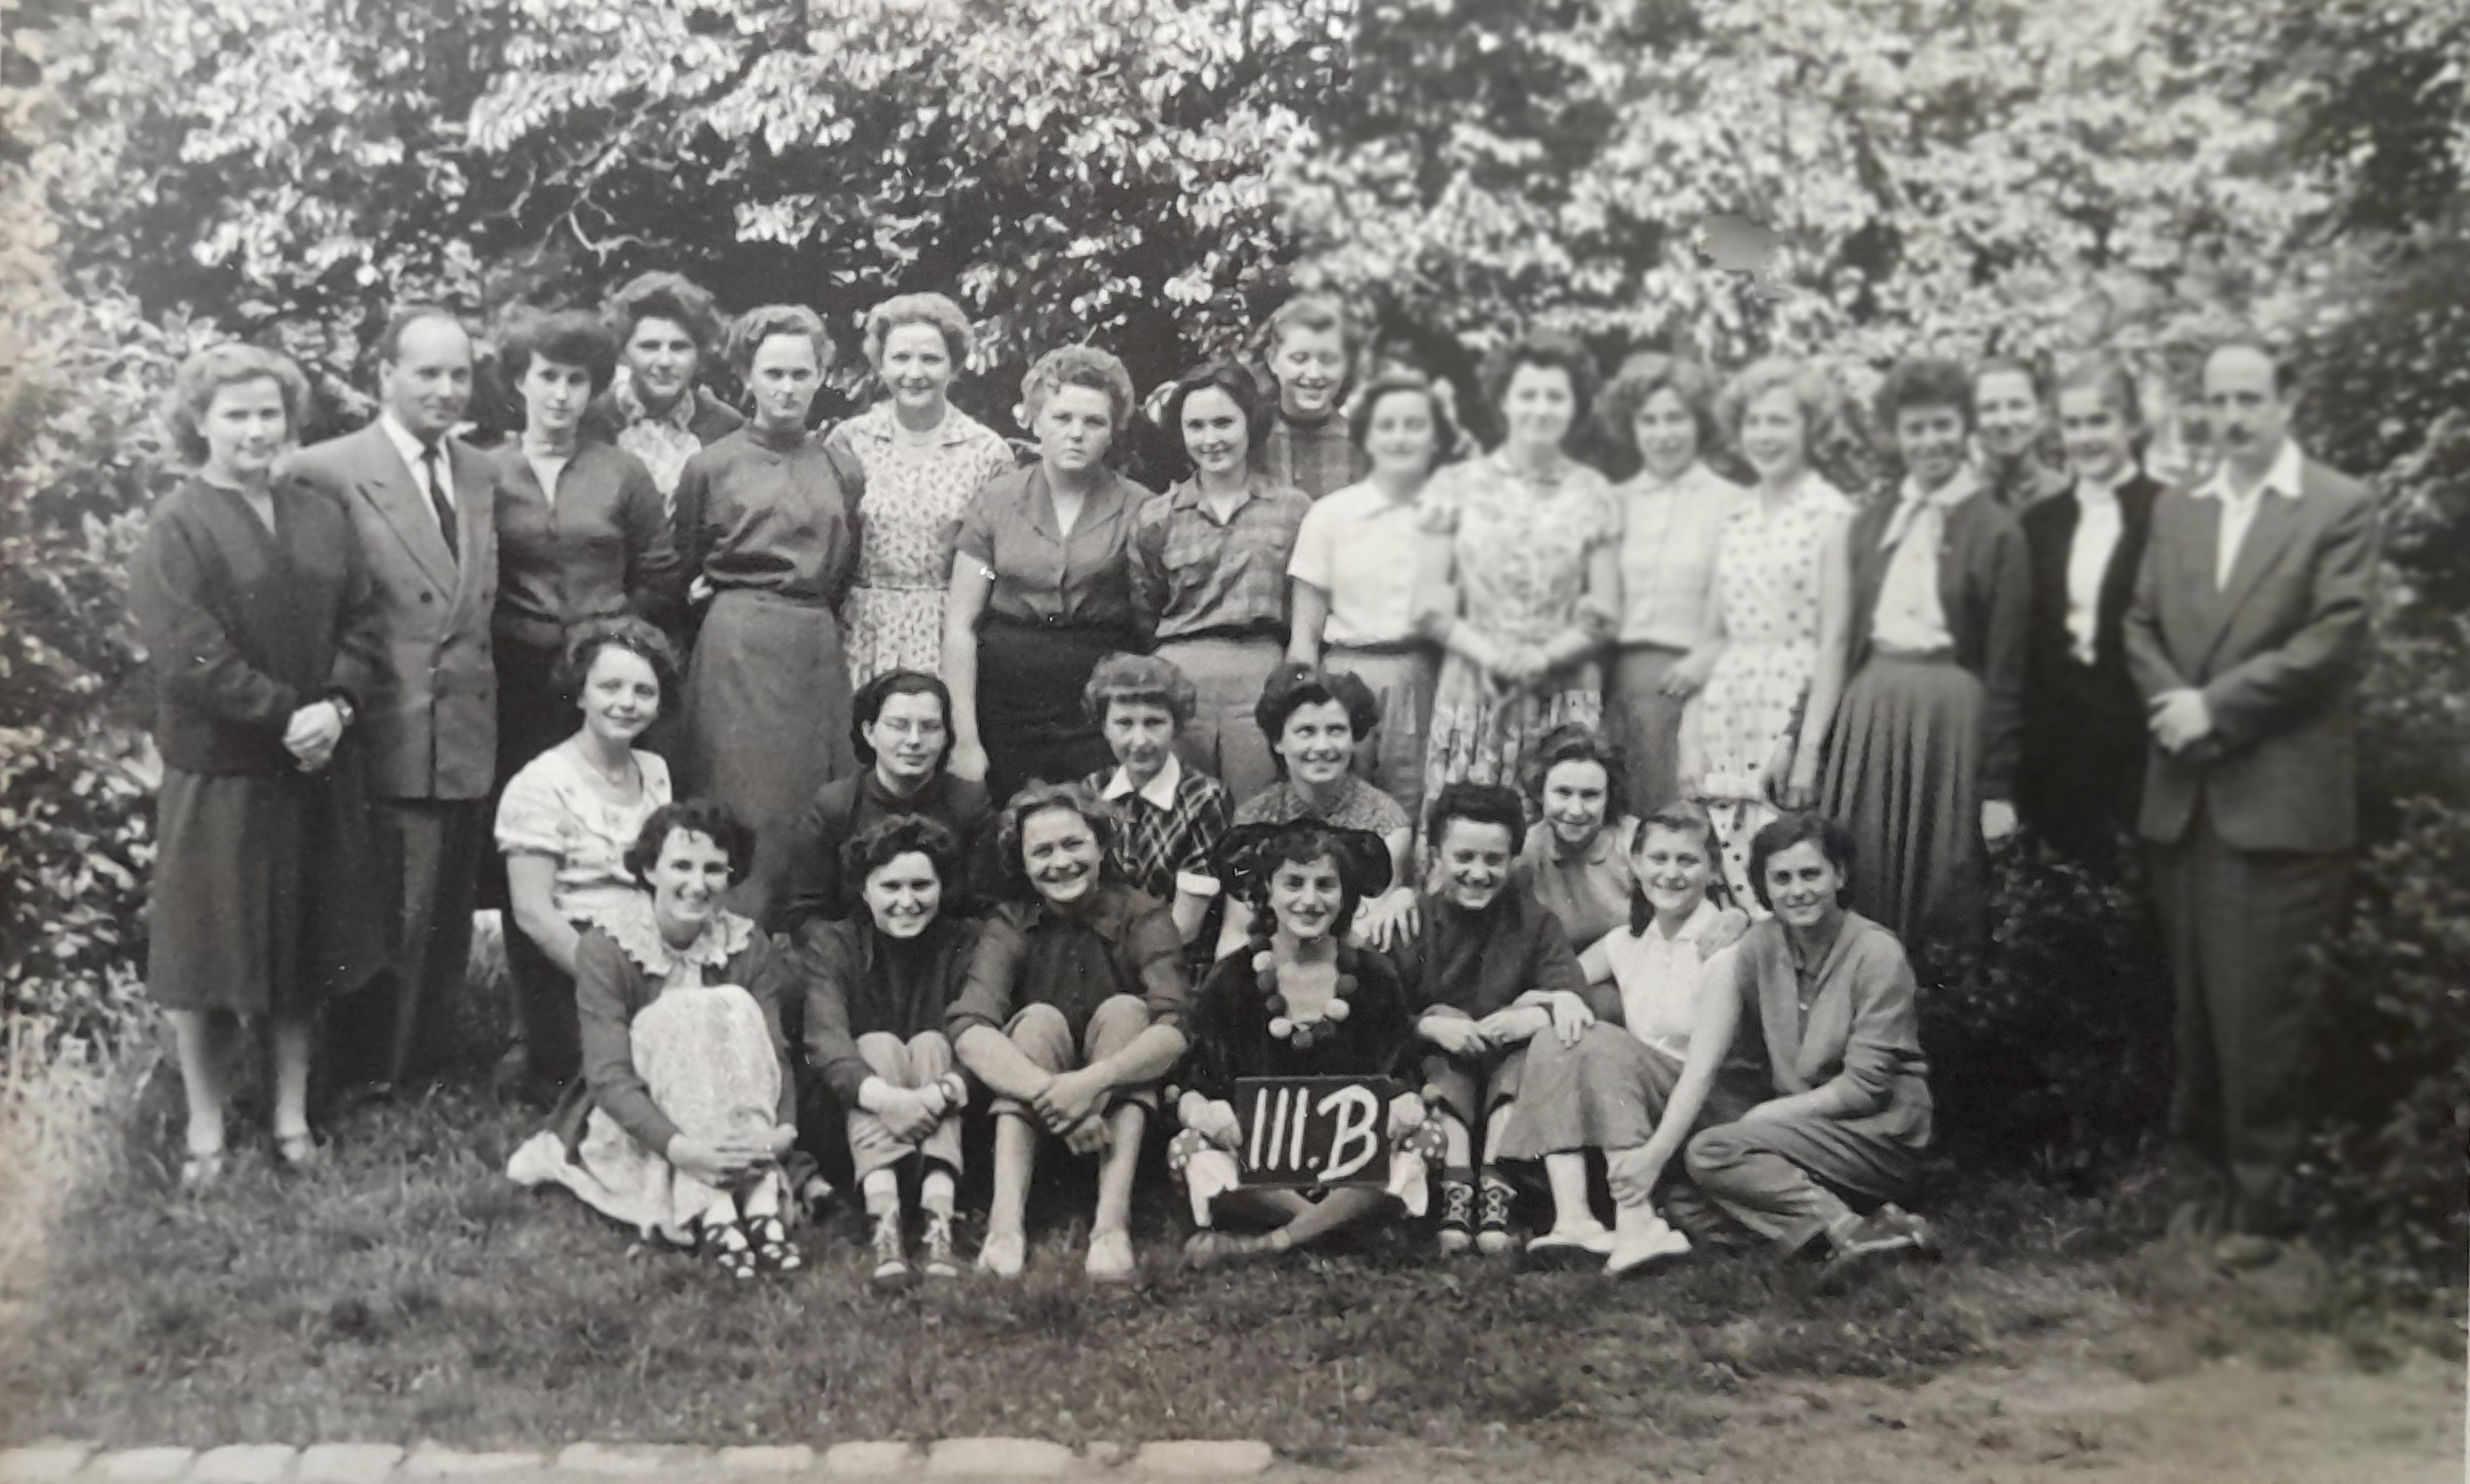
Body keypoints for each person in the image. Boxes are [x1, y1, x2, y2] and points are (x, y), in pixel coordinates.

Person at [2124, 337, 2379, 1266]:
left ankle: (2261, 1212)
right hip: (2184, 798)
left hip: (2277, 805)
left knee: (2264, 1015)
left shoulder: (2337, 505)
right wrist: (2175, 708)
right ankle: (2197, 1195)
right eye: (2217, 400)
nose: (2230, 417)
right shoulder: (2180, 507)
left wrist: (2215, 710)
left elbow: (2334, 639)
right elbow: (2140, 623)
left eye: (2248, 399)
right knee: (2197, 1010)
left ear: (2286, 402)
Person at [133, 343, 385, 1187]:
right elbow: (188, 652)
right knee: (208, 959)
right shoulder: (178, 524)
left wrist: (338, 706)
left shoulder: (318, 514)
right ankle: (206, 1130)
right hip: (223, 773)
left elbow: (364, 623)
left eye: (268, 413)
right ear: (199, 422)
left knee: (299, 952)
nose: (254, 430)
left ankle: (290, 1119)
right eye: (235, 414)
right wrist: (286, 715)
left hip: (313, 766)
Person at [287, 306, 503, 1093]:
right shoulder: (327, 470)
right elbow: (315, 612)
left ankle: (423, 1069)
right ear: (385, 376)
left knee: (444, 916)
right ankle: (366, 1076)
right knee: (386, 913)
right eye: (427, 373)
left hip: (466, 730)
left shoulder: (479, 471)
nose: (446, 390)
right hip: (383, 729)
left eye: (459, 375)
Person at [504, 802, 806, 1278]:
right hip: (643, 1123)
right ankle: (717, 1211)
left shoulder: (747, 944)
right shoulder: (608, 947)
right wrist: (684, 1150)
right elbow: (608, 1075)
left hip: (739, 1120)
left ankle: (759, 1201)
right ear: (650, 870)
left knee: (733, 1004)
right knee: (677, 1013)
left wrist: (781, 1133)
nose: (697, 884)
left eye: (714, 869)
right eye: (681, 866)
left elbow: (773, 1055)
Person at [1819, 357, 2029, 962]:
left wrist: (1998, 788)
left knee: (1944, 879)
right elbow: (1837, 639)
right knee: (1860, 865)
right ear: (1896, 434)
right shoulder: (1871, 524)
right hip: (1870, 712)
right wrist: (1800, 736)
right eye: (1916, 428)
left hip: (1951, 719)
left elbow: (2008, 668)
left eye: (1943, 425)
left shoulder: (1998, 530)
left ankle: (1934, 1012)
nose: (1930, 441)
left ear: (1964, 427)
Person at [947, 782, 1192, 1281]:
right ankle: (1004, 1227)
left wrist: (1092, 1083)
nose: (1061, 863)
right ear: (1022, 862)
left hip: (1121, 1116)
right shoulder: (1010, 922)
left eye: (1073, 844)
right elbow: (970, 1027)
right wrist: (1056, 1094)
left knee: (1127, 1012)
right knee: (1036, 1022)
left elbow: (1175, 1027)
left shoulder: (1142, 913)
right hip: (1041, 1112)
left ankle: (1111, 1227)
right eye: (1042, 851)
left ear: (1101, 845)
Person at [1170, 823, 1445, 1266]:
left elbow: (1402, 1073)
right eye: (1294, 884)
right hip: (1264, 1164)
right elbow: (1195, 1081)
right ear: (1268, 890)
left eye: (1325, 885)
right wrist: (1205, 1113)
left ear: (1345, 895)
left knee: (1426, 1139)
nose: (1310, 900)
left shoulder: (1375, 976)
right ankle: (1336, 1228)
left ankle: (1272, 1243)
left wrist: (1404, 1104)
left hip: (1351, 1161)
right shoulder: (1233, 977)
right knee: (1190, 1148)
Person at [1495, 805, 1753, 1273]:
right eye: (1658, 859)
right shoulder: (1626, 942)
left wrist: (1652, 1159)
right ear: (1635, 864)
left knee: (1602, 1043)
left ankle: (1638, 1220)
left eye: (1687, 861)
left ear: (1713, 870)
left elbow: (1702, 1072)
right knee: (1559, 1033)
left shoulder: (1723, 947)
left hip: (1713, 1105)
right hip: (1647, 1099)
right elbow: (1549, 985)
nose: (1670, 874)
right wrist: (1554, 1001)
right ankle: (1574, 1219)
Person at [671, 303, 863, 924]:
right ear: (746, 377)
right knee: (738, 805)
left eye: (801, 374)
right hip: (735, 650)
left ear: (821, 377)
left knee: (812, 806)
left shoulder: (840, 465)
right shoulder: (710, 465)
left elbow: (844, 564)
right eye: (773, 373)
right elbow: (685, 560)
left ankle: (803, 956)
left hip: (812, 646)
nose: (787, 388)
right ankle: (730, 947)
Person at [1683, 812, 1935, 1275]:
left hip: (1875, 1136)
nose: (1796, 891)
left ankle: (1847, 1229)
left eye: (1810, 874)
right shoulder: (1760, 946)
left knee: (1711, 1153)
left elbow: (1863, 1090)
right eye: (1781, 879)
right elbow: (1746, 1059)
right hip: (1801, 1130)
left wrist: (1760, 1120)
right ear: (1763, 886)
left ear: (1839, 875)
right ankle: (1873, 1232)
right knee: (1684, 1193)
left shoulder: (1877, 953)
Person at [1392, 782, 1610, 1257]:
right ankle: (1456, 1191)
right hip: (1435, 1074)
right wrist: (1429, 1026)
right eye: (1463, 857)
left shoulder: (1534, 922)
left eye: (1493, 860)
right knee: (1442, 1027)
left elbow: (1572, 996)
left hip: (1509, 1076)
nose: (1478, 873)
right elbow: (1382, 1013)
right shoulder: (1415, 921)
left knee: (1529, 1047)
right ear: (1436, 856)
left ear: (1513, 860)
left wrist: (1531, 1015)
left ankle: (1495, 1190)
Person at [1676, 357, 1855, 911]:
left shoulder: (1833, 515)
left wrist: (1807, 749)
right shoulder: (1734, 517)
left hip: (1791, 713)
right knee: (1724, 881)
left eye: (1779, 421)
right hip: (1726, 711)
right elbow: (1710, 637)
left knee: (1790, 869)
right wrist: (1689, 738)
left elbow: (1835, 642)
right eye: (1753, 422)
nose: (1764, 435)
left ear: (1810, 429)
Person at [942, 346, 1150, 809]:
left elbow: (1148, 623)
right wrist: (966, 739)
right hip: (1005, 700)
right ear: (1035, 421)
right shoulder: (994, 503)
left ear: (1112, 432)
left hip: (1097, 705)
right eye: (1061, 418)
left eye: (1093, 422)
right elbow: (961, 624)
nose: (1076, 433)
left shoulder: (1141, 508)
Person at [1417, 333, 1622, 802]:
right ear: (1504, 400)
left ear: (1575, 405)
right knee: (1470, 826)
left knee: (1561, 818)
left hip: (1563, 684)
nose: (1541, 409)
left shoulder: (1594, 493)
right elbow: (1428, 605)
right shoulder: (1455, 486)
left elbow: (1605, 611)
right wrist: (1493, 657)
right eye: (1527, 394)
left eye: (1556, 396)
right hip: (1476, 685)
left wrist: (1541, 658)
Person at [488, 309, 682, 790]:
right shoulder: (486, 472)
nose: (561, 394)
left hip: (604, 676)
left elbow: (659, 573)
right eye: (548, 376)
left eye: (576, 380)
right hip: (514, 676)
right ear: (521, 381)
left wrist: (610, 637)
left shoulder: (623, 471)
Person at [493, 618, 679, 1105]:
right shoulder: (540, 784)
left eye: (644, 691)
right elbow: (533, 913)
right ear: (580, 694)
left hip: (648, 951)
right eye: (610, 687)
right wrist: (614, 984)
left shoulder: (655, 772)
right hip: (570, 964)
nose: (627, 703)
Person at [798, 817, 979, 1286]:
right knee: (876, 1045)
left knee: (934, 1042)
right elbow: (825, 1040)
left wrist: (937, 1094)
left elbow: (982, 1033)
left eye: (922, 885)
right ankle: (886, 1219)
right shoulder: (832, 943)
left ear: (942, 886)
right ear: (864, 890)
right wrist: (890, 1100)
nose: (907, 901)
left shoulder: (965, 942)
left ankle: (939, 1215)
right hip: (854, 1115)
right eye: (891, 887)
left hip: (945, 1106)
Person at [1131, 364, 1312, 801]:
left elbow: (1304, 607)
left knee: (1258, 807)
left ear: (1250, 423)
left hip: (1262, 676)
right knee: (1181, 807)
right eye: (1196, 426)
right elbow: (1144, 606)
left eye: (1224, 422)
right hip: (1179, 679)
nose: (1210, 438)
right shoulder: (1157, 516)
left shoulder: (1292, 509)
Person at [1287, 370, 1455, 824]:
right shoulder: (1329, 514)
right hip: (1344, 671)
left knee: (1412, 800)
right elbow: (1304, 632)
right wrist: (1306, 696)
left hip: (1418, 673)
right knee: (1335, 796)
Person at [827, 294, 1019, 688]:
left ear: (954, 365)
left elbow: (996, 561)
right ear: (881, 364)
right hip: (861, 627)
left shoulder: (987, 453)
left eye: (930, 359)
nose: (914, 373)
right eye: (900, 358)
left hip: (949, 629)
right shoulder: (850, 441)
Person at [2017, 356, 2162, 866]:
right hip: (2057, 746)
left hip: (2140, 743)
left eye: (2099, 421)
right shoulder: (2039, 524)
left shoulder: (2168, 512)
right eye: (2073, 424)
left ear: (2132, 424)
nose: (2085, 437)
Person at [1597, 355, 1748, 810]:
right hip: (1611, 688)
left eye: (1675, 418)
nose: (1663, 433)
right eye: (1649, 420)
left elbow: (1754, 610)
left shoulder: (1734, 504)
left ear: (1699, 421)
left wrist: (1710, 656)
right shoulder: (1612, 502)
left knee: (1678, 820)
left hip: (1695, 689)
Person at [776, 668, 994, 936]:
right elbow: (807, 913)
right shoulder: (837, 806)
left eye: (930, 727)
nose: (914, 740)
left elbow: (987, 910)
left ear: (946, 735)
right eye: (898, 726)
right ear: (869, 732)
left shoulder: (969, 804)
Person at [1220, 665, 1418, 957]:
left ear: (1354, 738)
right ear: (1278, 742)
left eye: (1336, 730)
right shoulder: (1254, 818)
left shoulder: (1386, 825)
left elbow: (1360, 931)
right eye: (1306, 732)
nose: (1322, 746)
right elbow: (1237, 929)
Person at [1078, 653, 1233, 948]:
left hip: (1172, 955)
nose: (1140, 741)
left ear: (1176, 726)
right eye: (1124, 723)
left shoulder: (1205, 799)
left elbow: (1185, 927)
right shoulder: (1093, 790)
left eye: (1154, 723)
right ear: (1104, 727)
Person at [595, 271, 744, 511]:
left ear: (699, 354)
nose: (665, 361)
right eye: (649, 346)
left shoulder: (725, 427)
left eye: (679, 347)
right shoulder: (592, 421)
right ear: (623, 352)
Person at [1510, 722, 1638, 953]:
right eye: (1563, 793)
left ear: (1609, 797)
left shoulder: (1636, 842)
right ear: (1540, 792)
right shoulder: (1526, 851)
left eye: (1590, 795)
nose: (1576, 810)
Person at [1256, 294, 1369, 499]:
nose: (1314, 374)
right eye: (1299, 359)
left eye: (1329, 360)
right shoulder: (1251, 440)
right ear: (1272, 361)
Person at [1974, 356, 2071, 512]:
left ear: (2041, 414)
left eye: (2017, 405)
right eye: (1989, 408)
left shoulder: (2066, 495)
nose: (2004, 421)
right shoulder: (1959, 499)